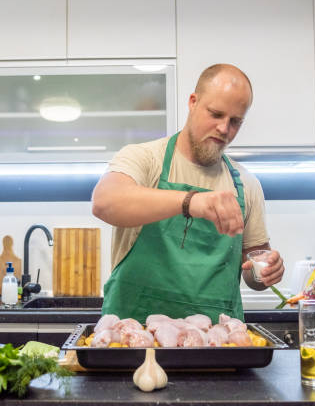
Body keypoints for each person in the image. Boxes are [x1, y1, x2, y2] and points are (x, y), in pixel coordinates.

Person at [91, 63, 285, 324]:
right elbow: (105, 202)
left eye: (235, 121)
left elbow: (254, 264)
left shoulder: (246, 184)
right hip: (133, 342)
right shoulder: (145, 159)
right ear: (193, 102)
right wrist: (190, 202)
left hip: (217, 346)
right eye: (215, 114)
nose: (224, 129)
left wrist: (266, 271)